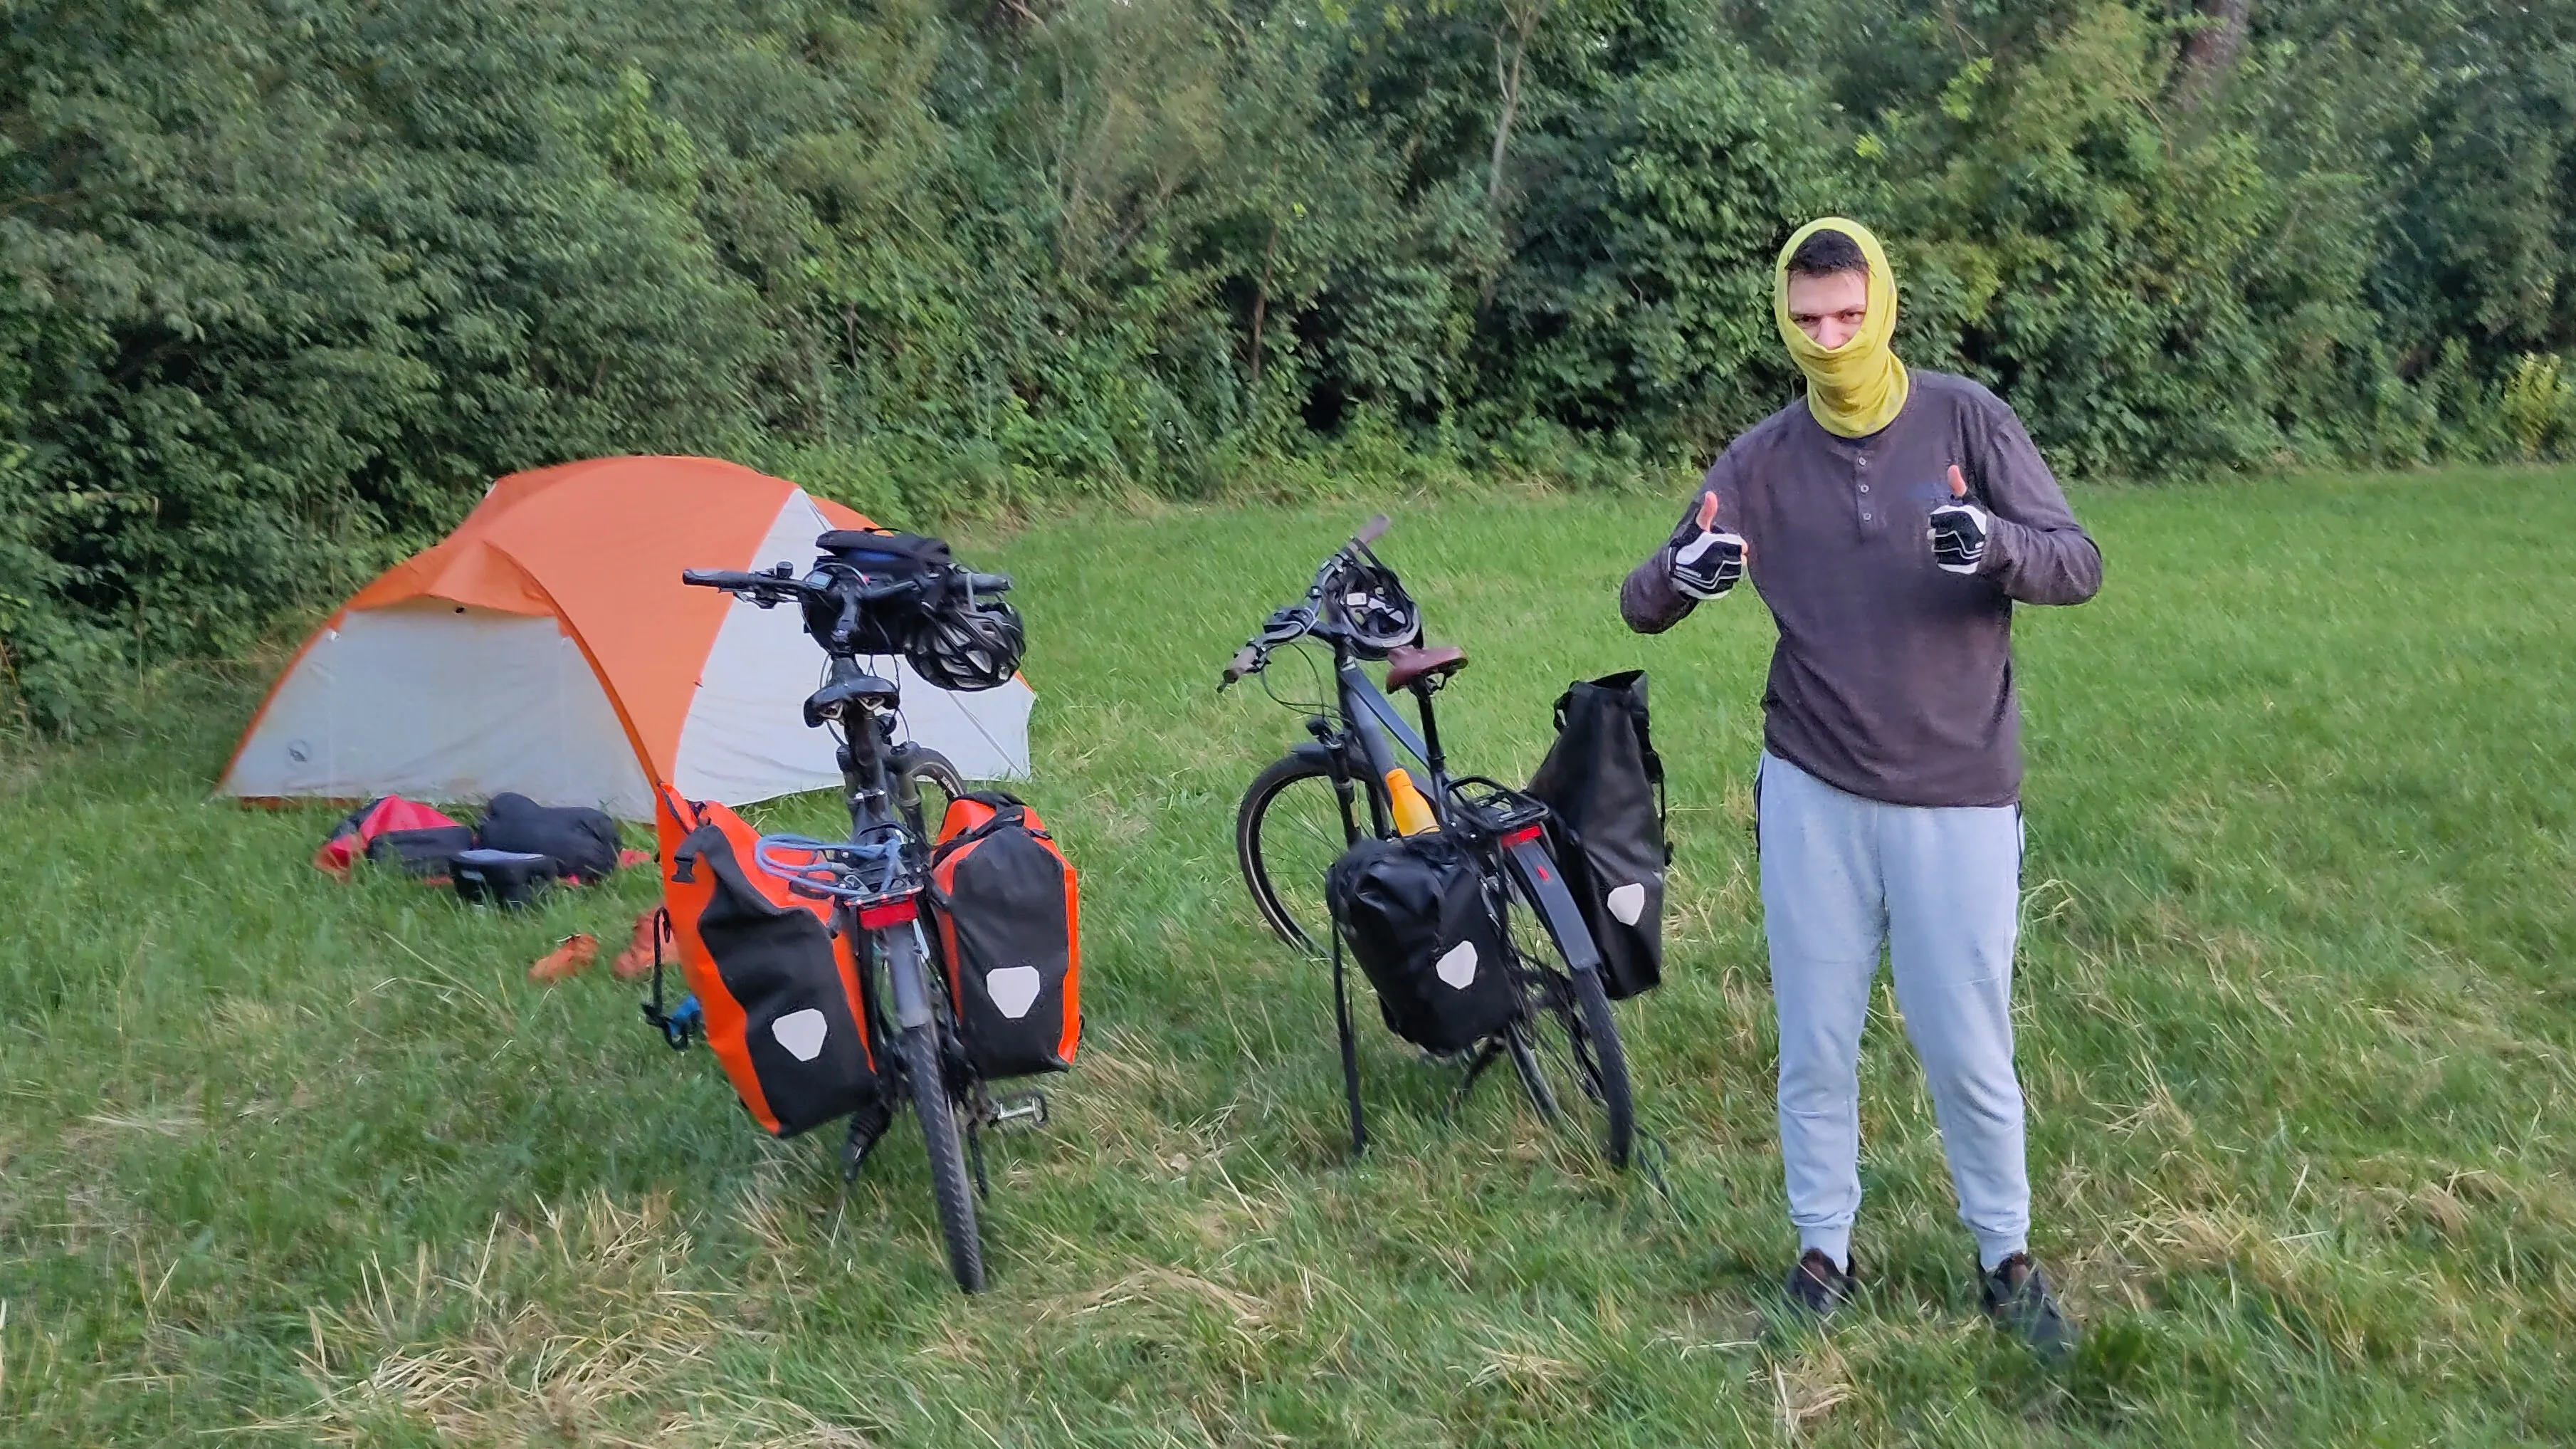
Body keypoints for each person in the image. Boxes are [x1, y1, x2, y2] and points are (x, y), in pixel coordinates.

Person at [1621, 218, 2101, 1354]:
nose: (1828, 339)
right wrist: (1683, 575)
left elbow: (2075, 560)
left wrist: (1991, 542)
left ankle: (2005, 1257)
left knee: (1964, 1035)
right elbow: (1643, 598)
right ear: (1783, 320)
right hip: (1812, 787)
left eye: (1846, 315)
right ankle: (1821, 1250)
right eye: (1805, 321)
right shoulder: (1761, 458)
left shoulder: (1964, 419)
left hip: (1956, 791)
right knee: (1815, 1037)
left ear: (1881, 305)